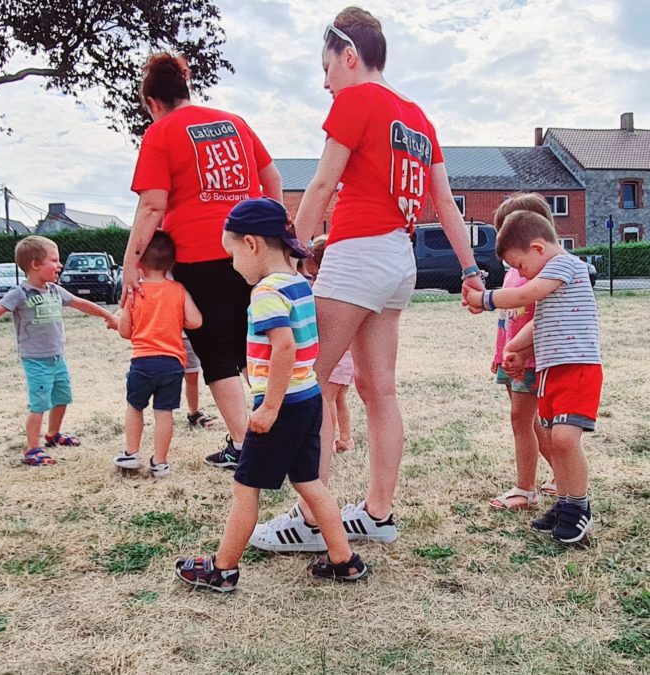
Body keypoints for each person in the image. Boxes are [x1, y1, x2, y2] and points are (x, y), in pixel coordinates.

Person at [253, 7, 485, 551]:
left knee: (312, 381)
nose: (325, 80)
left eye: (327, 65)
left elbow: (319, 188)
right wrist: (470, 269)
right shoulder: (418, 117)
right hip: (398, 256)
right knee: (377, 389)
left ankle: (314, 520)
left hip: (357, 254)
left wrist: (284, 260)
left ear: (349, 56)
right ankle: (377, 512)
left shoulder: (355, 101)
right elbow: (446, 204)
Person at [174, 198, 367, 592]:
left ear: (251, 244)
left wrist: (269, 409)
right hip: (308, 396)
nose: (231, 264)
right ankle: (344, 560)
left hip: (282, 406)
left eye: (231, 254)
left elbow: (283, 347)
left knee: (245, 487)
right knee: (310, 482)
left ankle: (223, 569)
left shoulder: (265, 292)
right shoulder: (298, 282)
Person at [124, 52, 283, 471]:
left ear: (154, 103)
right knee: (256, 346)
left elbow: (152, 207)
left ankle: (244, 444)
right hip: (251, 250)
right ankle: (276, 430)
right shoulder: (235, 121)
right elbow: (273, 180)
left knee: (216, 355)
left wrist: (130, 263)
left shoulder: (160, 133)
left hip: (200, 255)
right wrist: (273, 234)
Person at [463, 211, 601, 544]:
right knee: (554, 439)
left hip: (577, 367)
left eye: (520, 266)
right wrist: (515, 348)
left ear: (537, 248)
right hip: (552, 370)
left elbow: (525, 296)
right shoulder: (551, 279)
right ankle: (565, 503)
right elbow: (539, 324)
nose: (520, 274)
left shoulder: (565, 266)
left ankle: (579, 508)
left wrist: (484, 298)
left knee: (566, 440)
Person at [0, 236, 117, 465]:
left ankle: (53, 435)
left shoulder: (55, 290)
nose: (59, 265)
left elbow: (81, 303)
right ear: (36, 264)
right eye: (55, 260)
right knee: (39, 404)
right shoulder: (19, 293)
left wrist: (108, 315)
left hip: (58, 357)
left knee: (62, 397)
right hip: (36, 360)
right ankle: (32, 449)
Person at [485, 194, 556, 510]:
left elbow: (537, 319)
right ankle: (558, 475)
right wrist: (500, 355)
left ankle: (526, 489)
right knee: (526, 420)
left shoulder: (540, 272)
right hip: (513, 359)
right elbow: (508, 321)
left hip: (531, 360)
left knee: (523, 420)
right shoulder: (517, 269)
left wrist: (482, 298)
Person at [112, 231, 203, 477]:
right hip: (173, 364)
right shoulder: (178, 289)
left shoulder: (133, 292)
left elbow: (125, 331)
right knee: (164, 414)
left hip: (142, 362)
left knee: (135, 406)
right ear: (172, 263)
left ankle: (132, 453)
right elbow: (196, 321)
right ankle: (160, 462)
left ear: (138, 263)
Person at [305, 235, 356, 454]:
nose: (313, 278)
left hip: (335, 354)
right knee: (339, 398)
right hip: (347, 355)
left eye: (315, 273)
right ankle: (346, 440)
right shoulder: (347, 287)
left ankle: (327, 443)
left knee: (326, 399)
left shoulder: (325, 291)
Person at [183, 335, 217, 429]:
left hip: (187, 334)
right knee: (168, 377)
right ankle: (165, 414)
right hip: (164, 334)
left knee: (192, 375)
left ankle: (193, 414)